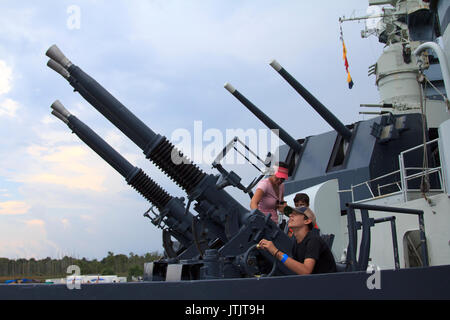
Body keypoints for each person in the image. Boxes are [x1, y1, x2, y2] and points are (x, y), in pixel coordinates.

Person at [257, 206, 337, 275]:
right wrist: (270, 251)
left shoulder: (313, 240)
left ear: (307, 221)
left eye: (295, 214)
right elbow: (295, 267)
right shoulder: (296, 243)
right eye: (291, 214)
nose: (290, 215)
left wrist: (276, 252)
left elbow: (305, 271)